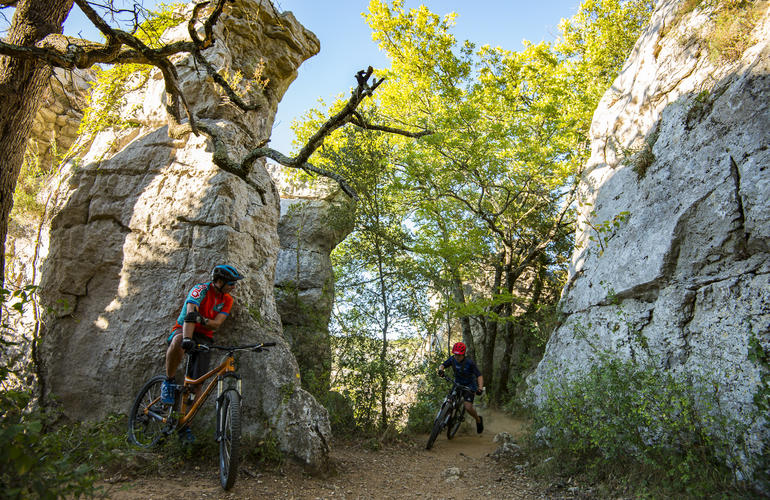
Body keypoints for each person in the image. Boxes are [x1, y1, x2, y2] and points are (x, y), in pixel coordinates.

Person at [160, 265, 244, 440]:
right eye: (230, 283)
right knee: (178, 342)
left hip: (205, 336)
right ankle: (168, 381)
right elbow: (191, 315)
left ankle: (185, 426)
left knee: (197, 385)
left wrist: (203, 319)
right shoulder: (200, 289)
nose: (233, 287)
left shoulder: (227, 300)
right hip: (184, 328)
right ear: (219, 281)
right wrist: (188, 339)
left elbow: (216, 323)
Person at [438, 341, 484, 433]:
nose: (457, 357)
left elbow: (479, 375)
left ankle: (478, 420)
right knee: (449, 400)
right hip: (457, 384)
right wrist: (440, 370)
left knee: (468, 407)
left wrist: (480, 388)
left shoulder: (470, 363)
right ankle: (445, 418)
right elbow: (442, 365)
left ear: (463, 354)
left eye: (459, 355)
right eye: (455, 354)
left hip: (469, 386)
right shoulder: (452, 359)